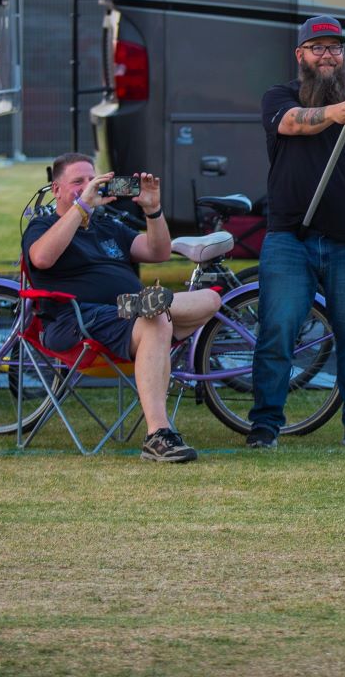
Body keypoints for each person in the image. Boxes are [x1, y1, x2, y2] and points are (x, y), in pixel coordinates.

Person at [23, 153, 222, 462]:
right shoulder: (43, 226)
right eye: (78, 182)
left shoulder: (107, 226)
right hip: (79, 320)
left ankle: (147, 307)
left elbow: (158, 252)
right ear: (56, 189)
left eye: (92, 180)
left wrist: (153, 210)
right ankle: (158, 434)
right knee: (155, 320)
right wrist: (81, 208)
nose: (87, 187)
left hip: (125, 318)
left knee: (211, 299)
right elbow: (42, 258)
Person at [247, 13, 345, 450]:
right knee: (277, 333)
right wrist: (332, 112)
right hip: (291, 238)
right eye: (319, 47)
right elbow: (290, 122)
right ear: (301, 54)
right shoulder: (278, 96)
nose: (328, 55)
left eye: (335, 48)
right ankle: (265, 426)